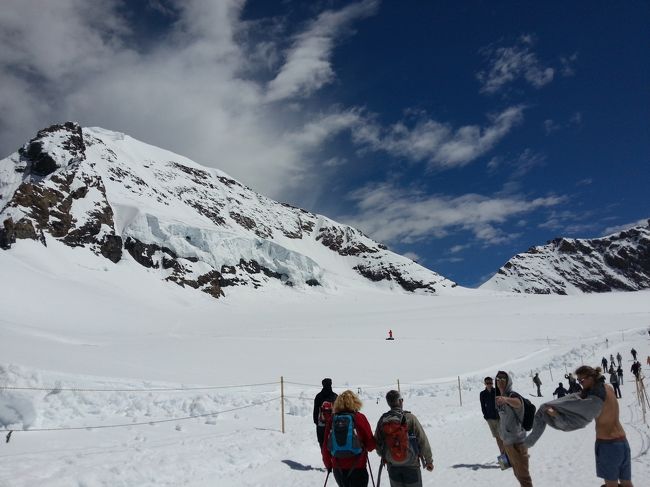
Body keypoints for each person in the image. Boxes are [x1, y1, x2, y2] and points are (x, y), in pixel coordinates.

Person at [576, 366, 633, 487]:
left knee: (611, 484)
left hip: (608, 445)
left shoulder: (595, 397)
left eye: (581, 380)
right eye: (578, 381)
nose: (580, 384)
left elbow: (582, 417)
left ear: (591, 378)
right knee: (626, 483)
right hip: (623, 442)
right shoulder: (608, 387)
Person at [375, 390, 434, 487]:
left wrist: (384, 456)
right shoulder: (410, 418)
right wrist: (429, 461)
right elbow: (422, 440)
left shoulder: (383, 420)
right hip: (411, 464)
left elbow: (377, 441)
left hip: (392, 464)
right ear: (400, 401)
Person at [322, 390, 376, 487]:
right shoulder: (360, 418)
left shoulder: (332, 419)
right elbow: (370, 445)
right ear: (355, 402)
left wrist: (329, 465)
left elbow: (325, 445)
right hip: (358, 468)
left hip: (338, 469)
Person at [495, 371, 533, 487]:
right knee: (518, 474)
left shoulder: (512, 395)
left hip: (518, 443)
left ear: (508, 382)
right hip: (508, 443)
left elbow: (518, 403)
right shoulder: (498, 398)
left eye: (503, 379)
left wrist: (506, 399)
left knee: (524, 477)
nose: (500, 382)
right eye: (498, 379)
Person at [480, 377, 504, 454]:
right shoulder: (482, 394)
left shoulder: (497, 392)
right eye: (487, 383)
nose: (489, 384)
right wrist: (486, 416)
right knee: (497, 437)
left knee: (502, 437)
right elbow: (483, 406)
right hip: (490, 419)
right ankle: (503, 455)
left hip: (499, 417)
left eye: (490, 383)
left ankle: (508, 454)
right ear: (485, 384)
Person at [314, 378, 338, 448]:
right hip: (333, 425)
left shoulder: (318, 396)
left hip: (321, 425)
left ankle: (324, 458)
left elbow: (315, 411)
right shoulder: (335, 396)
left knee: (322, 444)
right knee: (334, 444)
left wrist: (317, 422)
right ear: (331, 384)